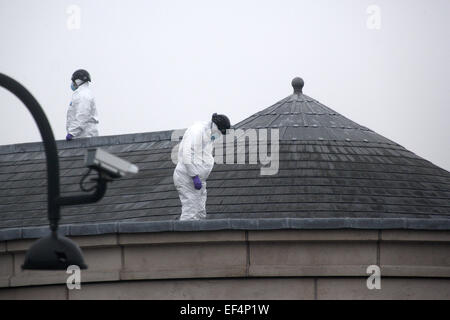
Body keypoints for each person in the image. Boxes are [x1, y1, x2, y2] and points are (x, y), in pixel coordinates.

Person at [174, 113, 231, 220]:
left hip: (198, 179)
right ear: (216, 126)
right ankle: (186, 236)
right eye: (221, 132)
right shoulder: (197, 131)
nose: (220, 135)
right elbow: (187, 154)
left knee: (200, 211)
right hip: (187, 177)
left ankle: (198, 236)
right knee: (190, 211)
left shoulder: (209, 134)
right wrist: (194, 176)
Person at [66, 69, 99, 140]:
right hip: (81, 135)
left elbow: (83, 115)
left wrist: (72, 133)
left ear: (77, 81)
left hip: (85, 135)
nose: (72, 83)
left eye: (73, 81)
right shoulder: (81, 94)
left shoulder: (83, 95)